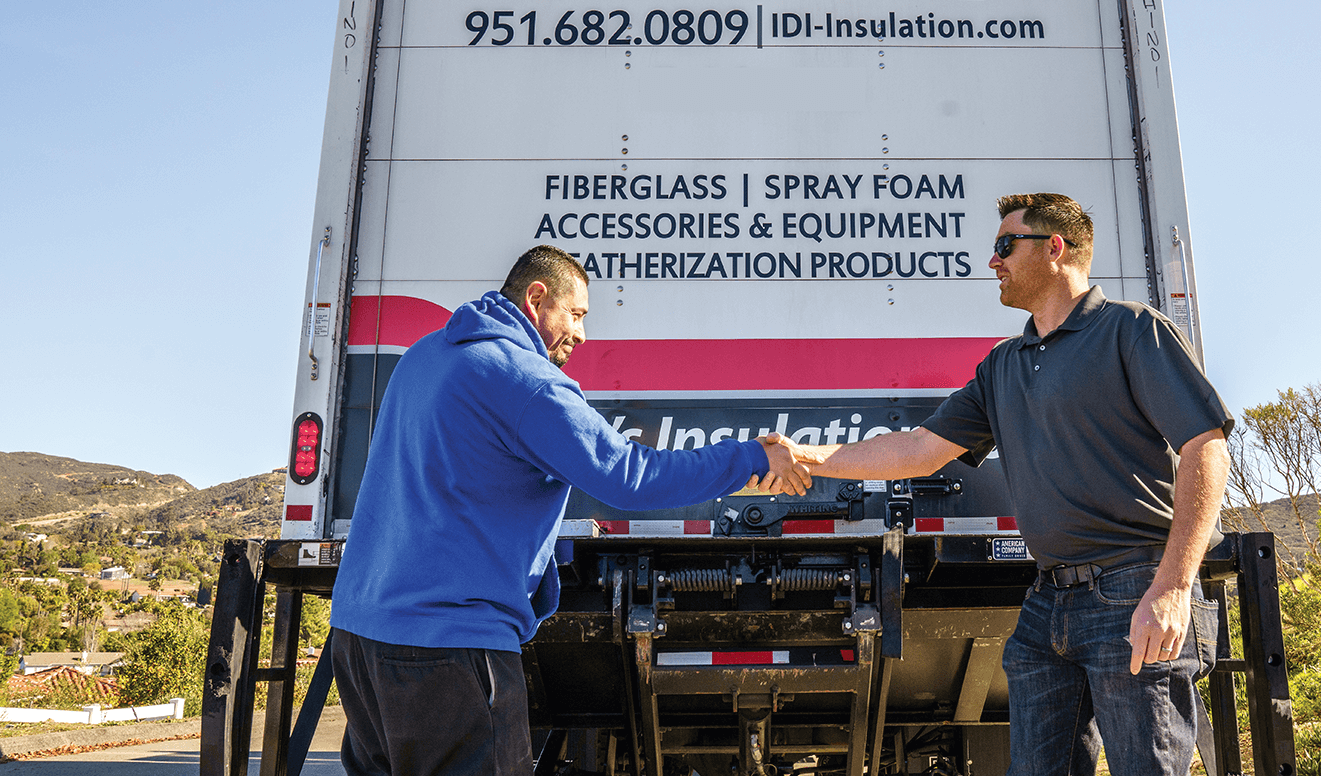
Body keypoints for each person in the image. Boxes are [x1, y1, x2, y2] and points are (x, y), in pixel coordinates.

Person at [768, 193, 1232, 776]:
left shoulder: (1131, 331)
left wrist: (1171, 587)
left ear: (1055, 248)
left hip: (1132, 588)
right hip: (1047, 605)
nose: (993, 262)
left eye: (1004, 246)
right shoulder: (1003, 366)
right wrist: (803, 455)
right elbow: (916, 450)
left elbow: (1206, 446)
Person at [329, 245, 810, 776]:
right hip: (448, 649)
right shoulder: (525, 381)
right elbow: (630, 476)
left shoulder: (423, 356)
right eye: (576, 314)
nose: (581, 334)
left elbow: (449, 486)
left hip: (359, 642)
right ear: (537, 298)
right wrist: (750, 456)